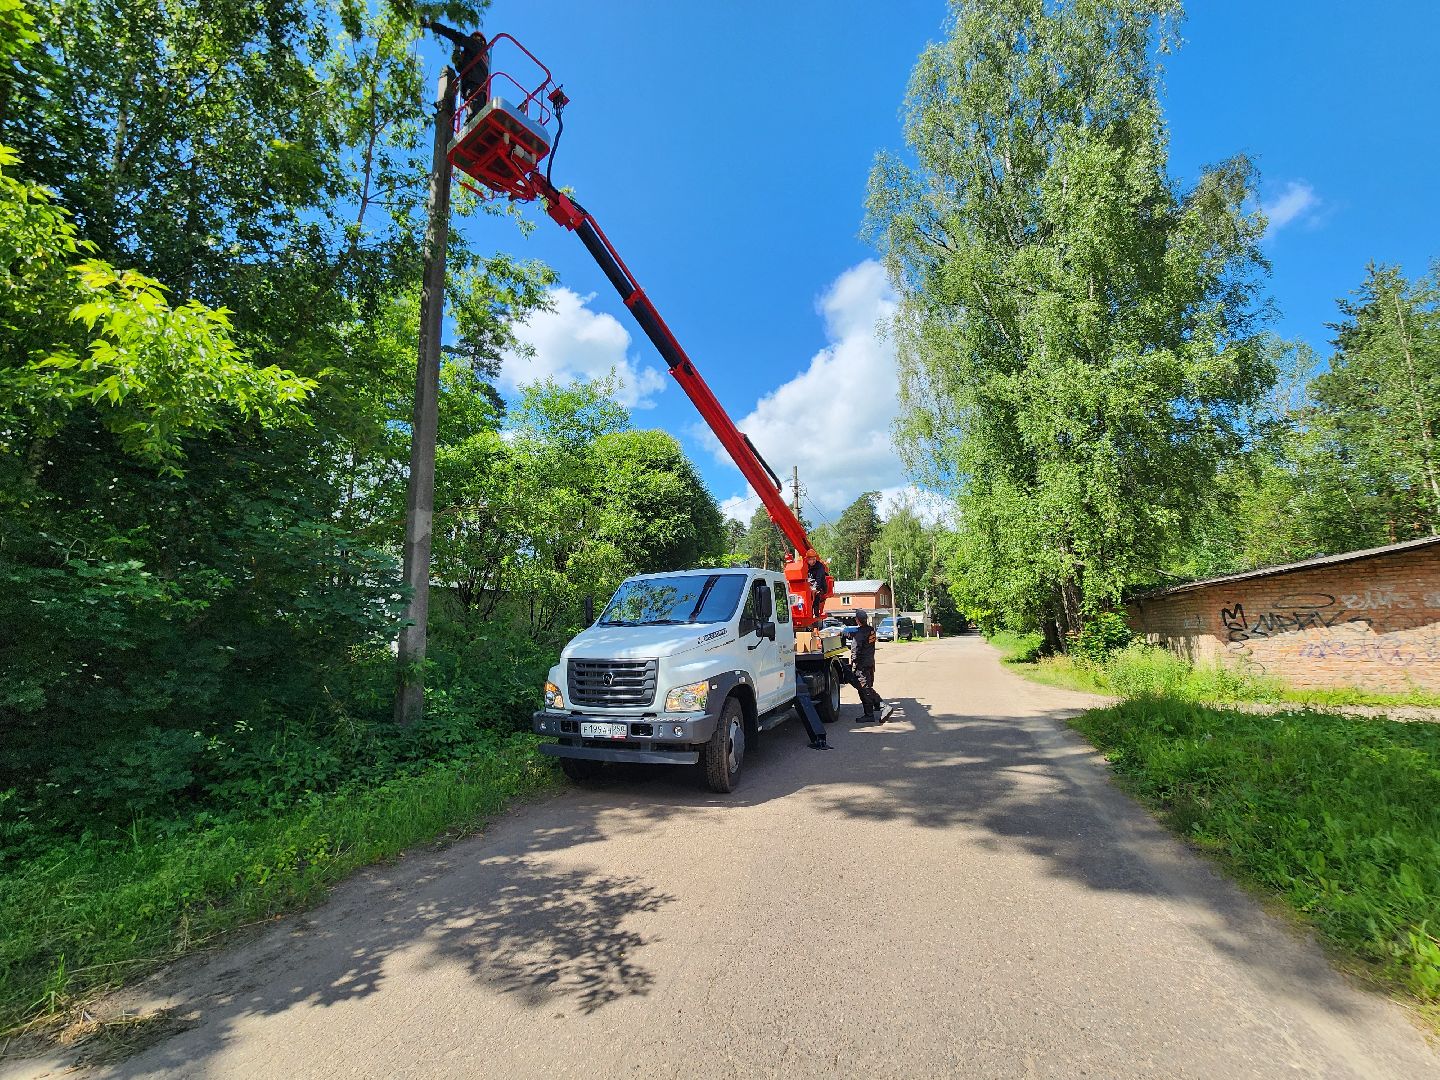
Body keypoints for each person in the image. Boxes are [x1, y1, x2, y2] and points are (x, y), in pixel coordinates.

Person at [427, 22, 490, 120]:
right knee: (476, 112)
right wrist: (458, 54)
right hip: (480, 91)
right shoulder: (485, 57)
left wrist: (433, 25)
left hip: (472, 87)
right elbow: (462, 68)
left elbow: (457, 37)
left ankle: (471, 119)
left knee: (474, 116)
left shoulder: (474, 44)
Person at [848, 611, 893, 724]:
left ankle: (883, 706)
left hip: (862, 665)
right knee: (864, 689)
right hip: (870, 664)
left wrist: (853, 664)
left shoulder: (859, 634)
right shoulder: (871, 630)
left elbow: (856, 650)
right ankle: (869, 714)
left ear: (857, 620)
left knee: (865, 688)